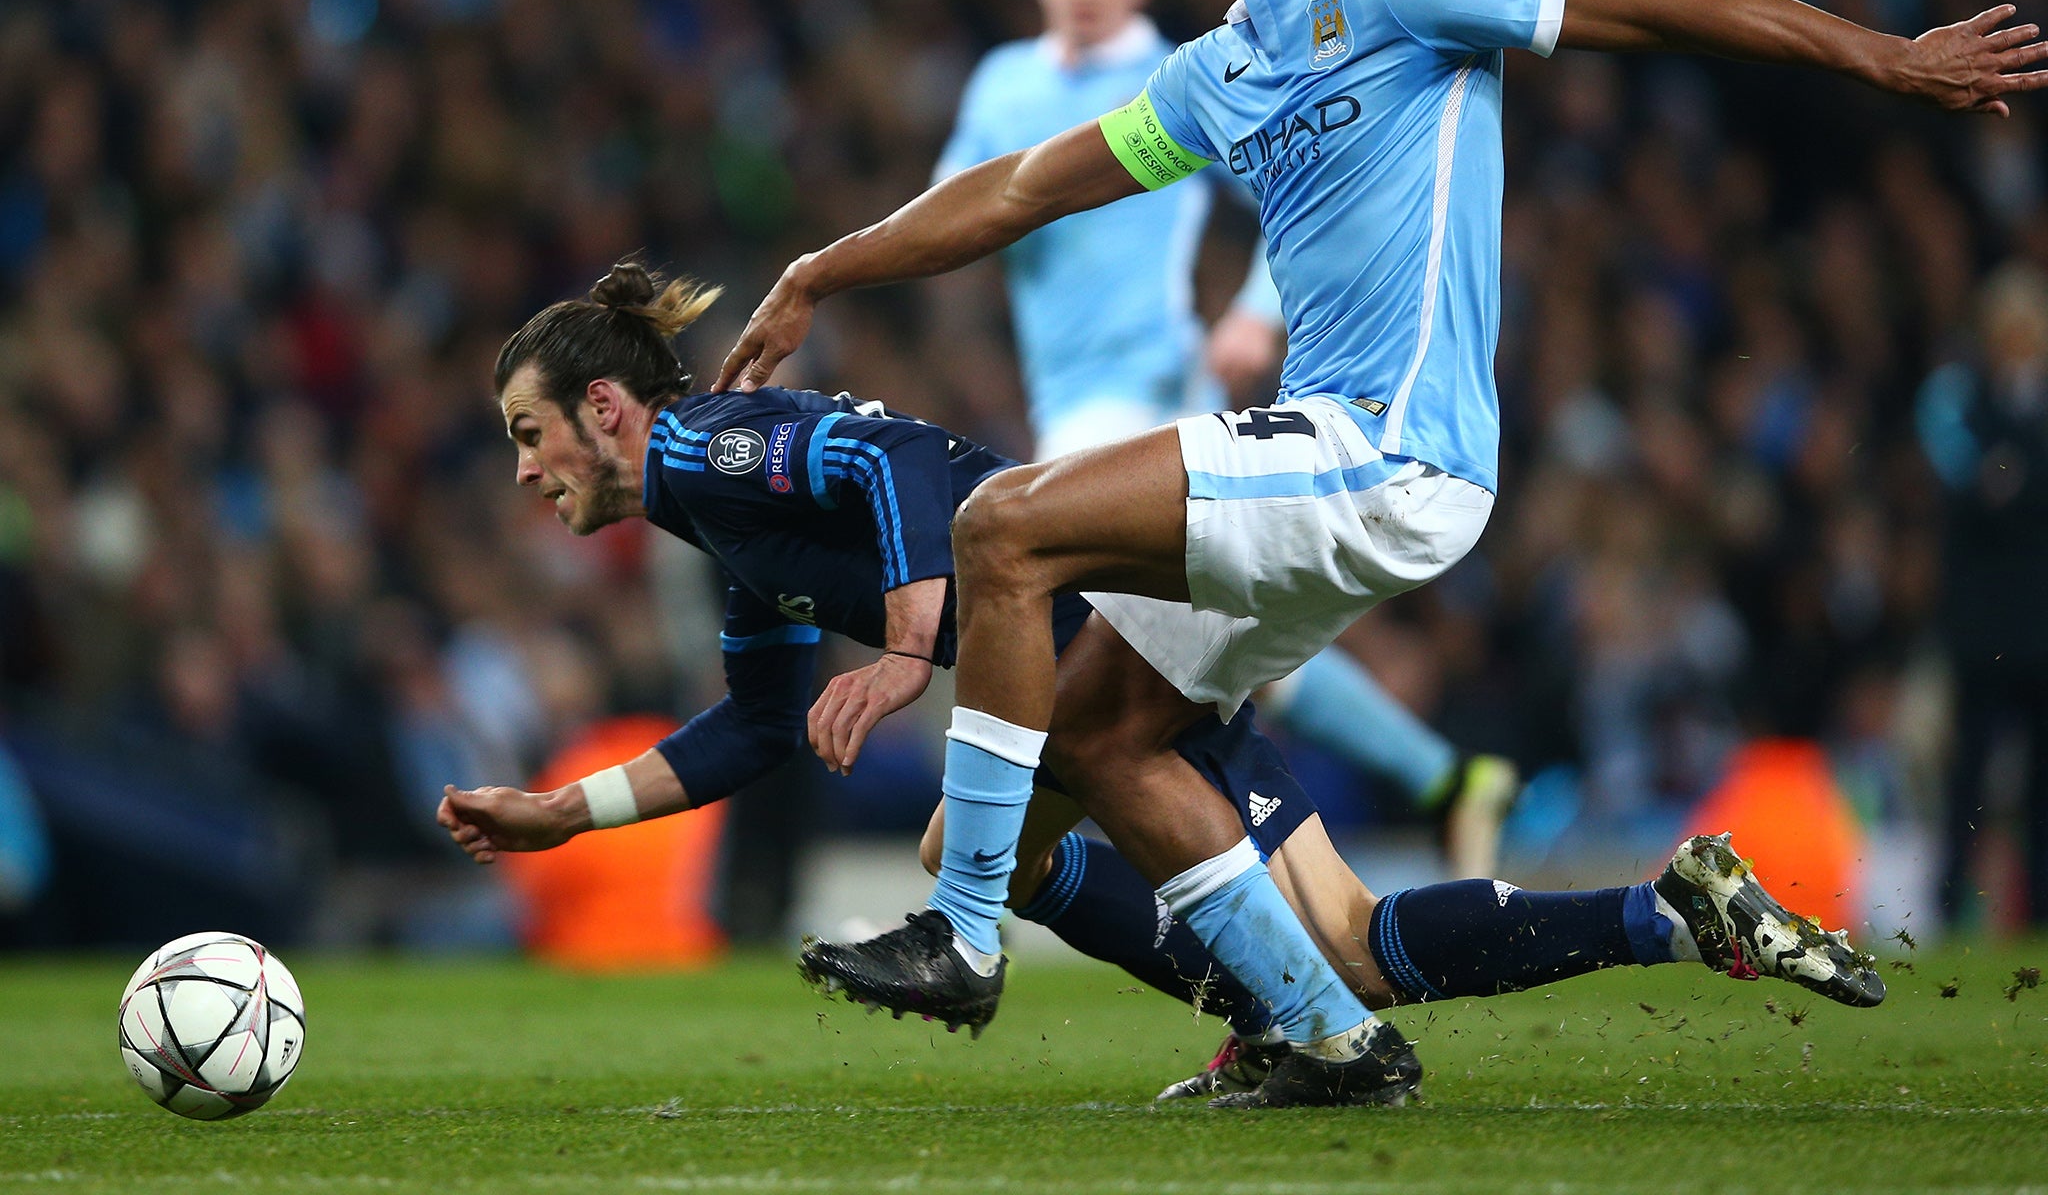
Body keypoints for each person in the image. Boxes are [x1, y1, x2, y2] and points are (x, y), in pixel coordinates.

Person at [715, 0, 2042, 1106]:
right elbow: (1016, 192)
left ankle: (967, 932)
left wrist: (1883, 55)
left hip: (1387, 451)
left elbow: (1663, 4)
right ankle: (1322, 1037)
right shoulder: (1226, 64)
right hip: (1332, 461)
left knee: (1002, 525)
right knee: (1104, 744)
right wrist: (824, 270)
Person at [440, 263, 1882, 1107]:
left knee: (980, 846)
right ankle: (1676, 915)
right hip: (1151, 621)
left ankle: (1288, 1033)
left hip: (1123, 608)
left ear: (611, 410)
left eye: (529, 432)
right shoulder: (719, 527)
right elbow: (757, 722)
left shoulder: (702, 452)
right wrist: (568, 814)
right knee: (1352, 942)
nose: (522, 470)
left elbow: (907, 466)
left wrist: (901, 642)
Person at [936, 0, 1516, 878]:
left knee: (1059, 599)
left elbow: (1295, 194)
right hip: (1061, 392)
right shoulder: (1002, 84)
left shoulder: (1187, 69)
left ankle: (1020, 873)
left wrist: (1253, 311)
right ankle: (1438, 779)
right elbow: (963, 197)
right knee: (1207, 646)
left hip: (1147, 389)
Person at [1917, 260, 2048, 926]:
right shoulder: (1961, 402)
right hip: (1983, 631)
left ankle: (2037, 910)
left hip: (2036, 627)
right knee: (1967, 778)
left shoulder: (1986, 410)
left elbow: (2001, 488)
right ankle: (1948, 903)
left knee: (2039, 785)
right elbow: (1973, 488)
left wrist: (2010, 480)